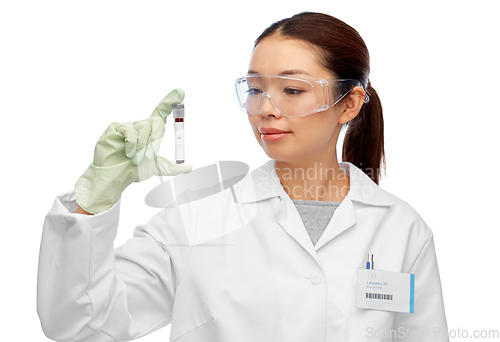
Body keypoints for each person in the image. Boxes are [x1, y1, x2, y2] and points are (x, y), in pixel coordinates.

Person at [37, 11, 449, 342]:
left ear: (349, 103)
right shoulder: (196, 219)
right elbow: (80, 324)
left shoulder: (401, 229)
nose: (265, 109)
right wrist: (94, 199)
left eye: (291, 90)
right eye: (254, 89)